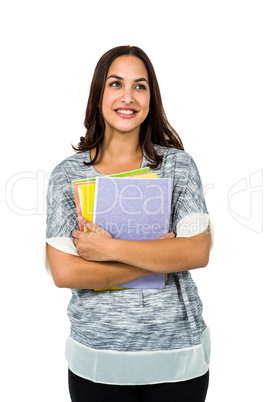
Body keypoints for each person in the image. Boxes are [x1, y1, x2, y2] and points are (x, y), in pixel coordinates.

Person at [46, 45, 212, 402]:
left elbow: (196, 251)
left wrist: (107, 250)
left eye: (140, 86)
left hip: (176, 356)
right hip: (98, 359)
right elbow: (64, 272)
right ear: (98, 95)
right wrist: (159, 257)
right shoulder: (67, 175)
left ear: (152, 98)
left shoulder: (179, 167)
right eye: (116, 84)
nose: (128, 96)